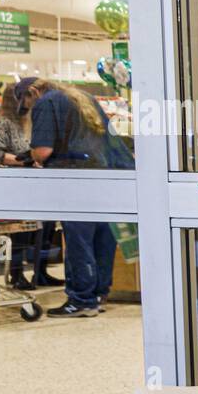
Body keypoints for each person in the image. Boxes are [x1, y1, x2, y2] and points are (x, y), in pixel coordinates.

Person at [25, 78, 132, 317]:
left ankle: (81, 299)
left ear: (34, 92)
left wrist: (29, 156)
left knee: (78, 239)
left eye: (27, 102)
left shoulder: (46, 103)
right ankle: (98, 295)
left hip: (73, 179)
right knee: (102, 238)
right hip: (104, 177)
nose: (29, 107)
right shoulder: (86, 99)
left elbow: (43, 151)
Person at [0, 82, 62, 290]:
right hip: (16, 187)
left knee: (44, 229)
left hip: (38, 185)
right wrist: (25, 161)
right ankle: (15, 274)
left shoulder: (34, 120)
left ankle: (40, 271)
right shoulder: (3, 123)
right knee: (20, 233)